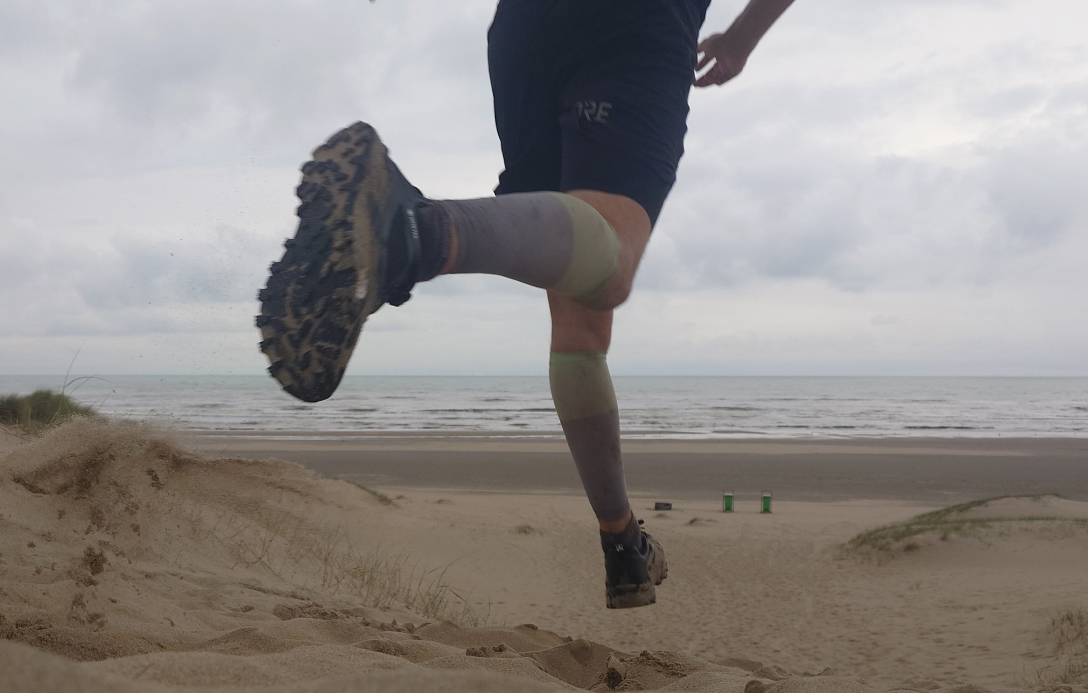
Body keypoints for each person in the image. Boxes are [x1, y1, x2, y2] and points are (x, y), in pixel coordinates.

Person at [256, 0, 797, 608]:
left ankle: (622, 542)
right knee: (608, 261)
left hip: (524, 30)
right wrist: (742, 39)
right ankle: (411, 233)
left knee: (580, 317)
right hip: (636, 21)